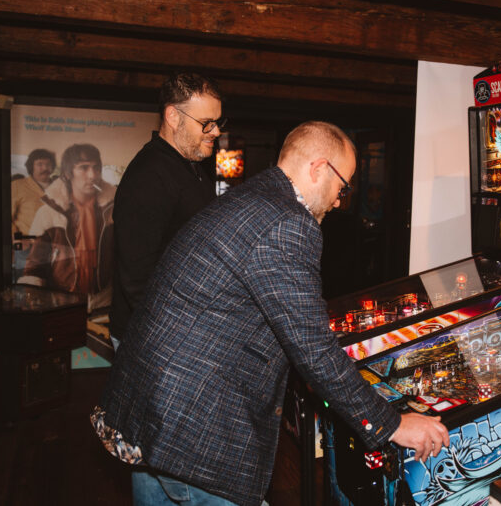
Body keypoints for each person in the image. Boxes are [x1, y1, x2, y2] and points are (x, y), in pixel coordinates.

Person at [92, 121, 450, 506]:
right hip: (191, 425)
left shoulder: (253, 197)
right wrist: (391, 424)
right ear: (319, 168)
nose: (338, 201)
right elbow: (314, 350)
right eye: (343, 187)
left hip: (150, 407)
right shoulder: (287, 222)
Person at [109, 72, 225, 349]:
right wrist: (176, 338)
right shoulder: (149, 175)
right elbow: (138, 278)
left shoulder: (190, 167)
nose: (216, 132)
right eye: (206, 123)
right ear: (173, 116)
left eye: (217, 122)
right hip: (155, 336)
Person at [18, 143, 115, 311]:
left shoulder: (114, 210)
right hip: (62, 303)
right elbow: (36, 265)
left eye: (96, 168)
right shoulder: (48, 213)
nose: (92, 175)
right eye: (83, 168)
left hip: (104, 303)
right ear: (68, 173)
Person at [11, 148, 56, 237]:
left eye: (48, 164)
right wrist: (17, 239)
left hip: (55, 242)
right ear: (31, 166)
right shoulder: (17, 186)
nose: (45, 168)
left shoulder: (59, 187)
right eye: (40, 164)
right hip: (28, 241)